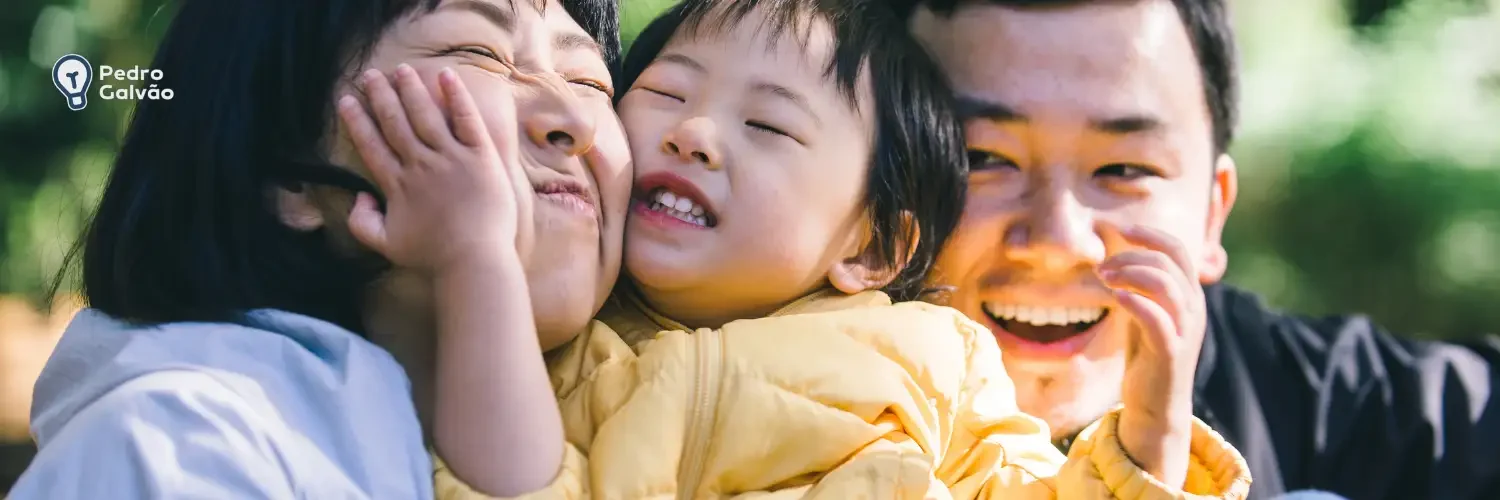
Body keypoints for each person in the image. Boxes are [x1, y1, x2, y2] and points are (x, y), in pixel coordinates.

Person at [383, 0, 1251, 497]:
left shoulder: (936, 361)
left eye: (765, 125)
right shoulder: (564, 358)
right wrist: (480, 265)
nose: (693, 134)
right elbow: (510, 490)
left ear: (873, 249)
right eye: (665, 92)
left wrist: (1150, 433)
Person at [8, 0, 627, 497]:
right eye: (478, 51)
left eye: (590, 81)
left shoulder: (663, 417)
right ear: (288, 172)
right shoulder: (180, 447)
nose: (573, 117)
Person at [900, 1, 1500, 499]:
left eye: (1124, 167)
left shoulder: (1316, 407)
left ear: (1213, 212)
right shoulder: (816, 407)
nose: (1059, 241)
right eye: (981, 159)